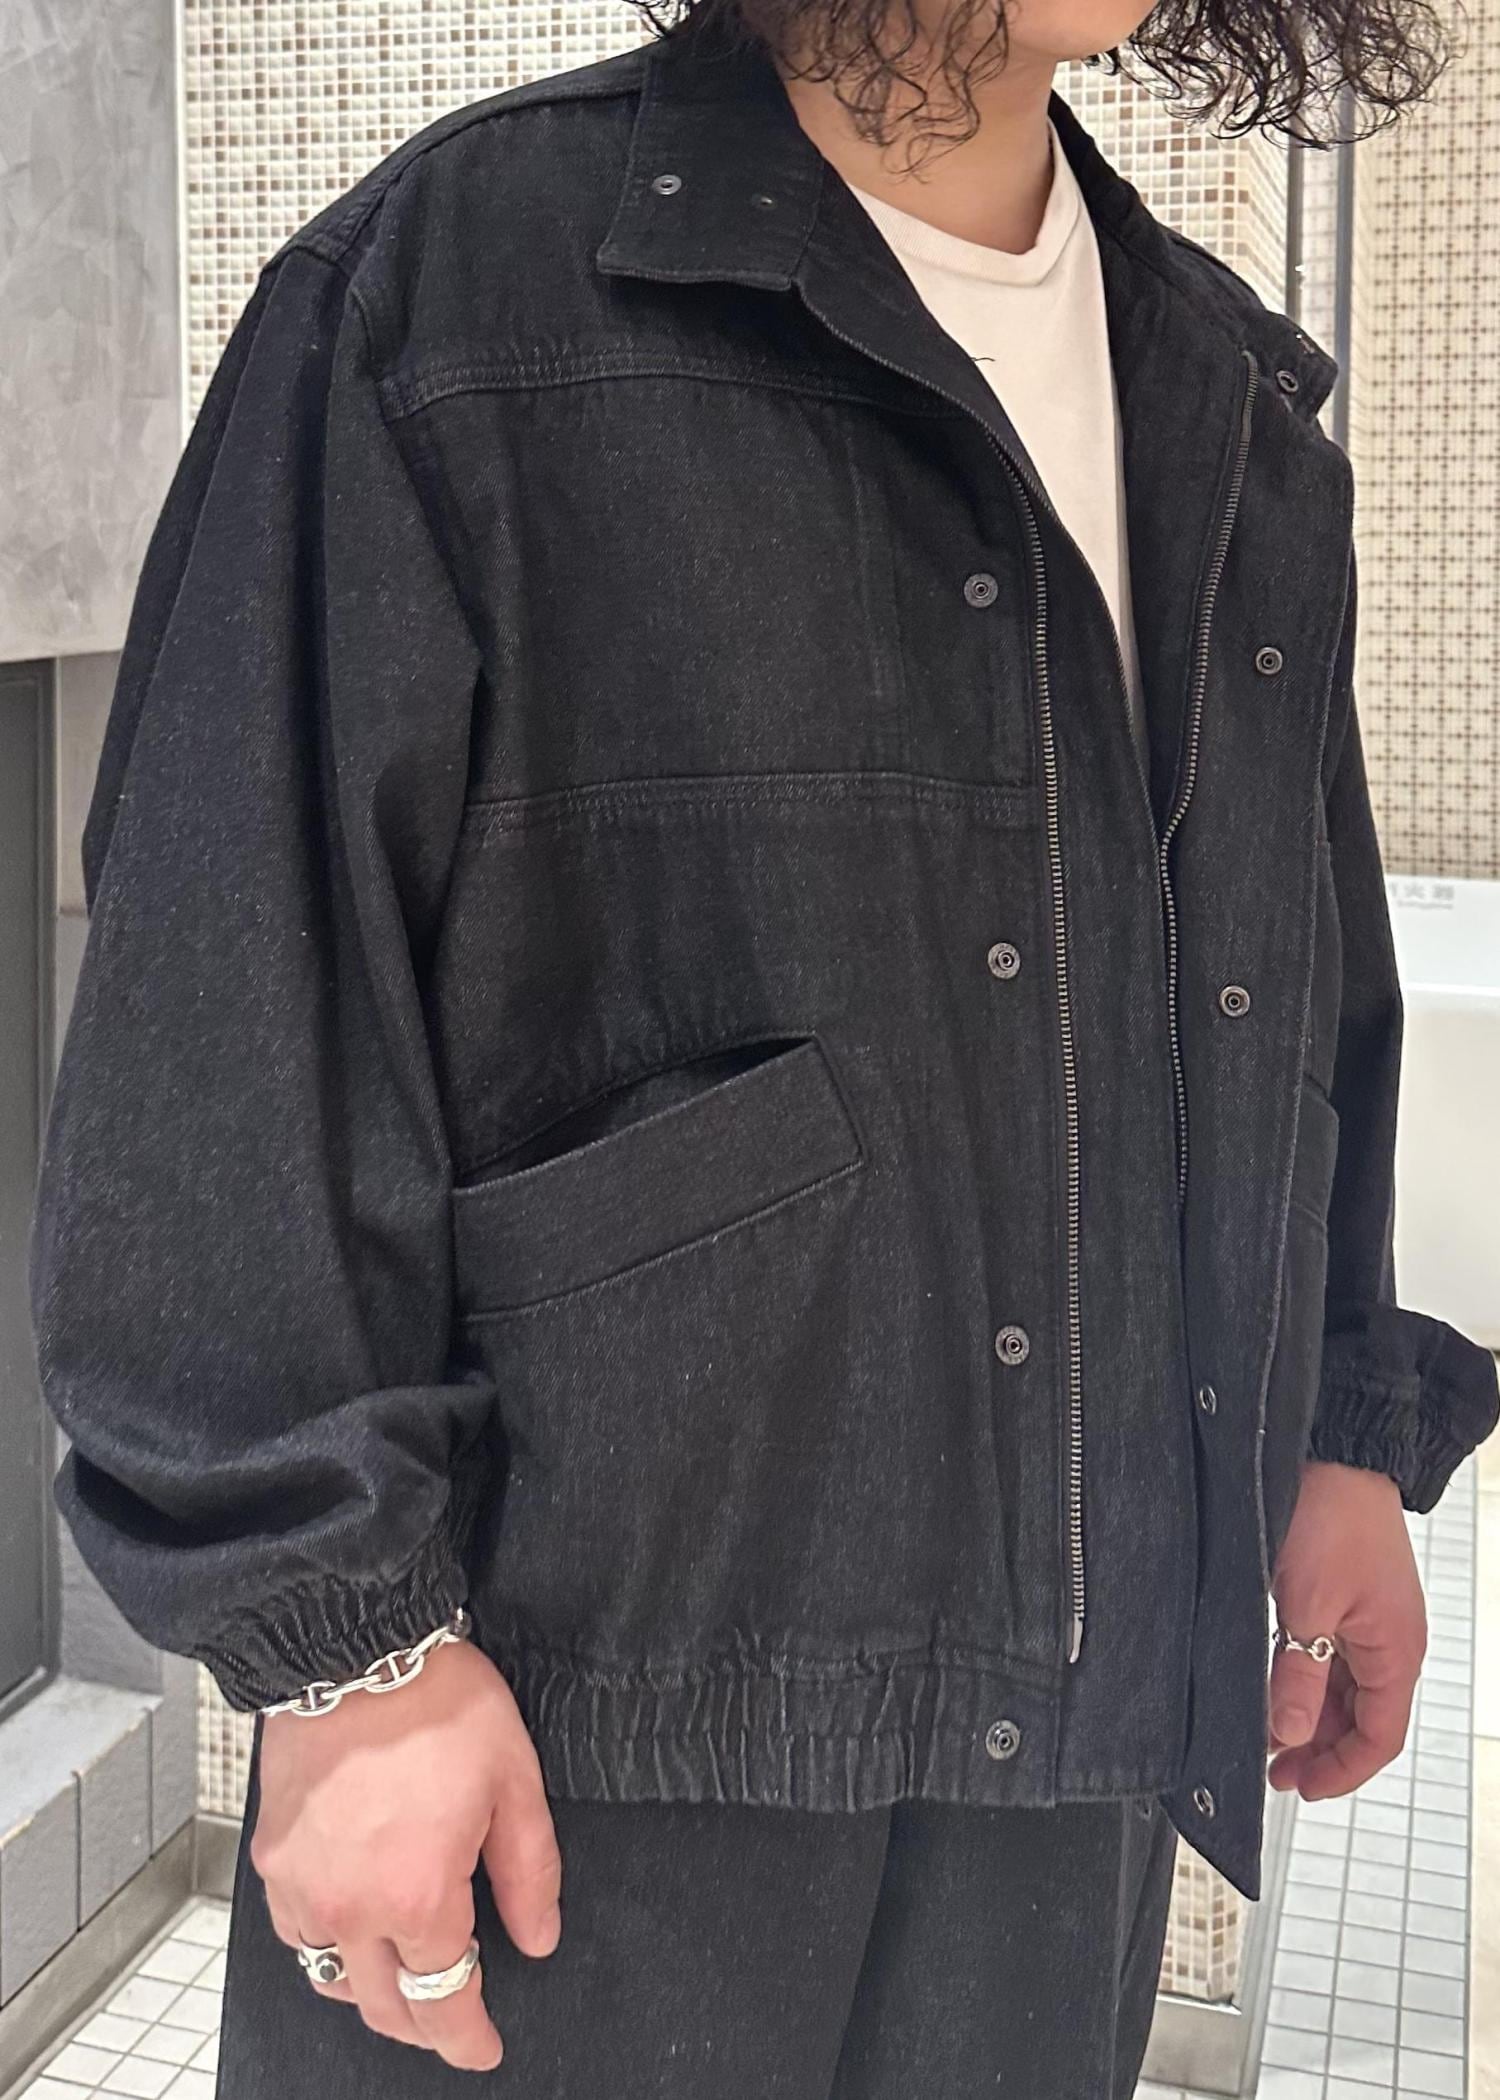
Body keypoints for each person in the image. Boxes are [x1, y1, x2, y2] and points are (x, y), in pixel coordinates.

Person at [27, 0, 1498, 2092]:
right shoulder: (446, 302)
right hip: (569, 1757)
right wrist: (339, 1650)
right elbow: (226, 1002)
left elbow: (1287, 968)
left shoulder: (1227, 390)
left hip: (1064, 1758)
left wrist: (1331, 1415)